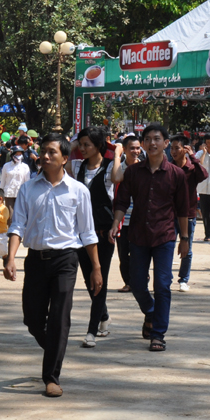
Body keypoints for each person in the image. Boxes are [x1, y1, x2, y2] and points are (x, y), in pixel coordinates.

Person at [6, 133, 101, 397]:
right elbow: (17, 226)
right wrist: (11, 258)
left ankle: (51, 376)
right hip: (35, 260)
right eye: (43, 152)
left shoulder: (78, 191)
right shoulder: (28, 188)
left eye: (51, 152)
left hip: (65, 261)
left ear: (64, 158)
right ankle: (55, 348)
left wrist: (95, 268)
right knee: (33, 319)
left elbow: (88, 233)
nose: (45, 157)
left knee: (60, 318)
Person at [110, 124, 190, 352]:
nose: (152, 143)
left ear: (166, 143)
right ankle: (152, 312)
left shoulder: (177, 174)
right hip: (137, 234)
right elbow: (122, 201)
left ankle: (158, 333)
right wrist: (115, 223)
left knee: (162, 284)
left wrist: (184, 238)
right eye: (148, 139)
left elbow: (183, 208)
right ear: (143, 144)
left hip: (165, 235)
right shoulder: (133, 172)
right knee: (136, 283)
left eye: (157, 139)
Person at [68, 127, 119, 345]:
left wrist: (116, 153)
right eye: (81, 144)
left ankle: (91, 331)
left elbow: (117, 178)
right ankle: (103, 315)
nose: (82, 148)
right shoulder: (78, 166)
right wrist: (73, 145)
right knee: (90, 279)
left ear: (98, 146)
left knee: (100, 280)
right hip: (80, 234)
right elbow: (65, 159)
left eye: (87, 144)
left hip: (103, 233)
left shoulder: (109, 168)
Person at [169, 135, 207, 291]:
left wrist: (193, 156)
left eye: (177, 148)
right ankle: (166, 278)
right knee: (167, 247)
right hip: (170, 215)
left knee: (187, 249)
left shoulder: (192, 168)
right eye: (171, 148)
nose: (173, 152)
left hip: (189, 214)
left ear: (185, 149)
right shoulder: (168, 168)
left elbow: (204, 175)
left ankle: (183, 279)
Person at [112, 134, 143, 293]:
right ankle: (128, 282)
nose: (135, 151)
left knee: (139, 254)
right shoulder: (118, 168)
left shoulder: (144, 168)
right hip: (122, 219)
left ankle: (139, 280)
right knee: (124, 254)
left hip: (140, 220)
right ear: (124, 150)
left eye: (138, 148)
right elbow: (115, 181)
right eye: (132, 148)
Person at [0, 147, 31, 223]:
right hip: (9, 193)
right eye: (17, 154)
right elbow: (3, 180)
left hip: (21, 194)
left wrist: (28, 194)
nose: (19, 156)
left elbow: (27, 181)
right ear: (12, 155)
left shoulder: (25, 167)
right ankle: (10, 232)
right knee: (10, 215)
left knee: (20, 215)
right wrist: (0, 193)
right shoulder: (6, 166)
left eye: (20, 154)